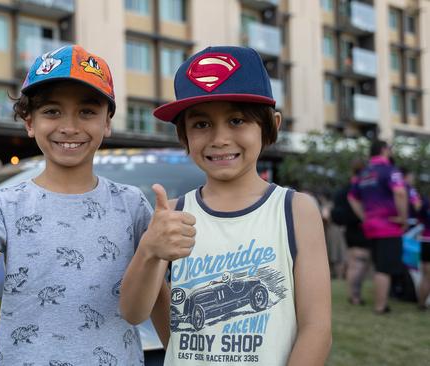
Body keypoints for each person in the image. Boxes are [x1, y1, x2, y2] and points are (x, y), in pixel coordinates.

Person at [0, 45, 155, 365]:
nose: (69, 126)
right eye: (52, 111)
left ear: (107, 121)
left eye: (87, 111)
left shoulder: (133, 205)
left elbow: (159, 294)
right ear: (29, 122)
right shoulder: (5, 203)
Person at [120, 46, 332, 365]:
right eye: (201, 125)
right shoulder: (173, 214)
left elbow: (317, 328)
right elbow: (134, 313)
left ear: (270, 124)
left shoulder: (295, 210)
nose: (219, 138)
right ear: (184, 136)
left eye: (236, 120)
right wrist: (149, 251)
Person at [348, 140, 408, 314]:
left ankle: (380, 303)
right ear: (383, 150)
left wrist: (365, 216)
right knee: (385, 268)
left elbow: (352, 198)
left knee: (379, 266)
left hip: (371, 227)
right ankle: (380, 306)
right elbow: (400, 192)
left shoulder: (364, 173)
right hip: (388, 226)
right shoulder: (390, 170)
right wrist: (403, 218)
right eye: (389, 149)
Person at [331, 159, 370, 305]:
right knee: (359, 263)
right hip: (360, 228)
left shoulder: (345, 188)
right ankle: (354, 296)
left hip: (350, 229)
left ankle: (353, 295)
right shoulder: (361, 188)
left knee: (355, 262)